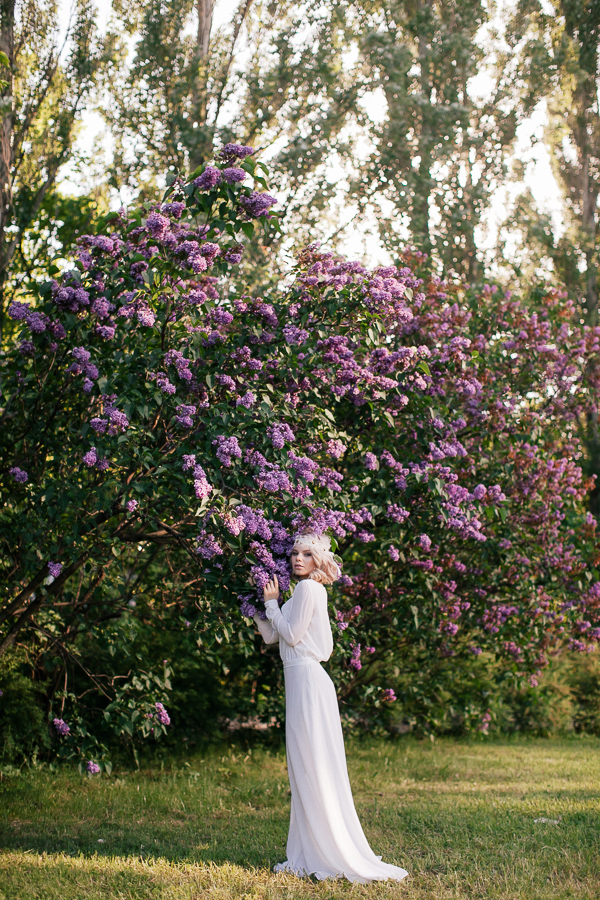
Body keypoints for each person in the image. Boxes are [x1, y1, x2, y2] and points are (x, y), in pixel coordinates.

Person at [253, 530, 409, 884]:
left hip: (308, 681)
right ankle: (310, 850)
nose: (297, 559)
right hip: (299, 680)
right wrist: (259, 603)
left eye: (306, 554)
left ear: (318, 560)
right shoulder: (300, 593)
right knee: (304, 766)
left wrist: (273, 605)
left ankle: (329, 851)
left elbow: (291, 635)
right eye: (294, 553)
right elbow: (272, 636)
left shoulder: (309, 589)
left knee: (313, 765)